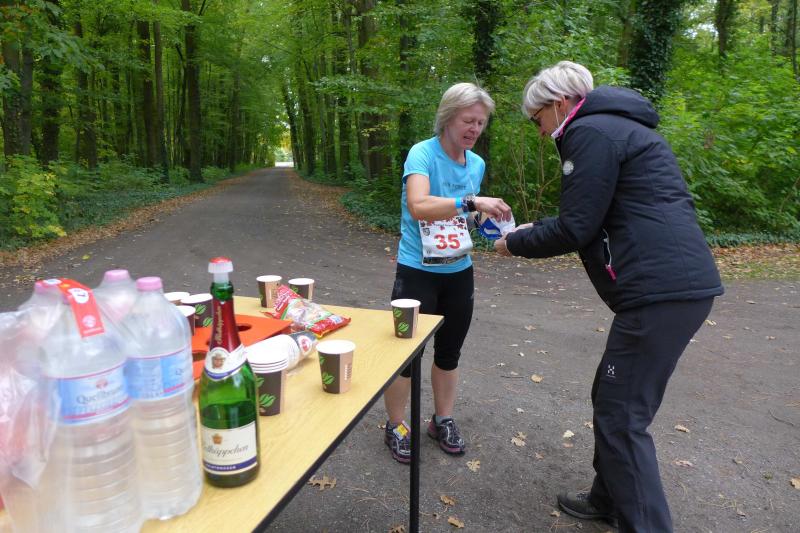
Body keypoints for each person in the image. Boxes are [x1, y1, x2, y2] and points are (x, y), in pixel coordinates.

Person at [494, 61, 724, 532]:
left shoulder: (590, 132)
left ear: (559, 104)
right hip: (672, 288)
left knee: (621, 417)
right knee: (612, 396)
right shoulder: (617, 128)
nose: (540, 132)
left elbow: (576, 228)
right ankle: (609, 499)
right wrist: (536, 227)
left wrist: (514, 243)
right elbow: (597, 214)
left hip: (658, 293)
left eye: (537, 119)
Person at [384, 82, 512, 464]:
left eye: (481, 123)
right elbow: (419, 205)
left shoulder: (476, 164)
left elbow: (463, 217)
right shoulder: (422, 153)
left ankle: (442, 420)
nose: (475, 129)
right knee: (406, 354)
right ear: (448, 117)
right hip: (416, 270)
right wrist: (471, 201)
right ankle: (396, 426)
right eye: (468, 120)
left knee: (449, 352)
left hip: (458, 271)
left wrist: (491, 224)